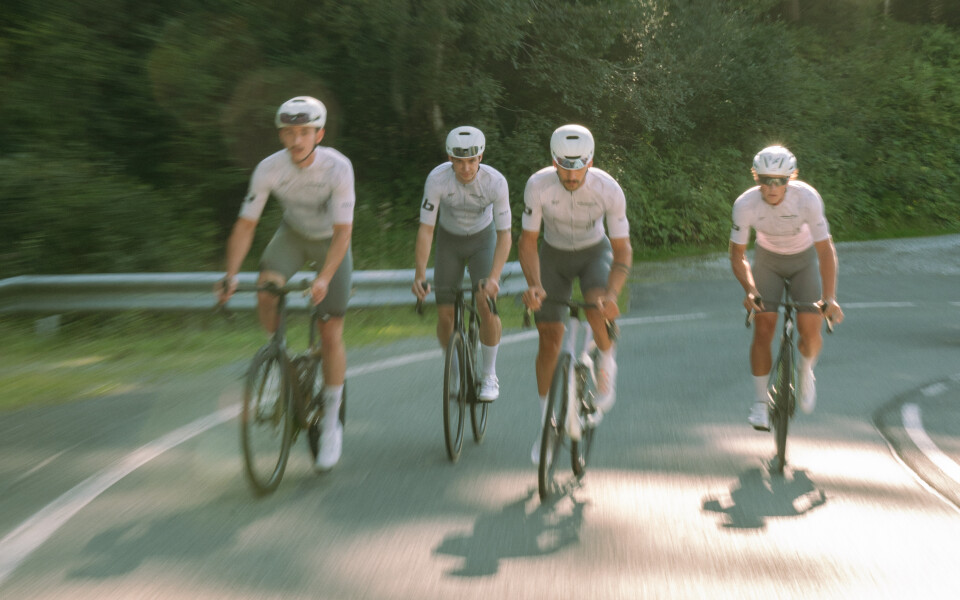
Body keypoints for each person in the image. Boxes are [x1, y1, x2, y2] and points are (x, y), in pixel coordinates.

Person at [216, 96, 354, 471]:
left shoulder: (338, 168)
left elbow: (344, 233)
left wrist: (324, 278)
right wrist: (230, 275)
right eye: (290, 133)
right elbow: (246, 225)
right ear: (281, 135)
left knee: (330, 333)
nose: (297, 140)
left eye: (305, 132)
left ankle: (330, 424)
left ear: (319, 134)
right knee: (266, 289)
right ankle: (280, 358)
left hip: (331, 241)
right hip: (292, 235)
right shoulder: (269, 169)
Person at [519, 124, 632, 464]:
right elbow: (527, 242)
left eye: (578, 165)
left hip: (593, 254)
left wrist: (612, 293)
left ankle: (607, 360)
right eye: (563, 166)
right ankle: (545, 427)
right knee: (549, 340)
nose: (571, 174)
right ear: (553, 162)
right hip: (553, 256)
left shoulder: (608, 189)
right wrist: (535, 284)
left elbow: (623, 250)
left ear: (590, 160)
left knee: (597, 305)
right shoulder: (538, 186)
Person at [729, 145, 844, 431]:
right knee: (764, 326)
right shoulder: (745, 205)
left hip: (804, 261)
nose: (772, 187)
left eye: (780, 180)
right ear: (755, 177)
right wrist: (750, 289)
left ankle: (806, 371)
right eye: (765, 179)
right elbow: (737, 254)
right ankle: (759, 403)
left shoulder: (807, 199)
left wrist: (830, 297)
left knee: (809, 330)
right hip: (768, 261)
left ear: (792, 177)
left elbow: (825, 251)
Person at [412, 126, 512, 401]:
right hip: (449, 240)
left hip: (484, 239)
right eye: (459, 161)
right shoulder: (437, 179)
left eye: (472, 160)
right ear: (450, 158)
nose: (466, 168)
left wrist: (494, 277)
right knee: (444, 314)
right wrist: (420, 273)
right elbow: (426, 230)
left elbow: (505, 236)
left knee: (484, 302)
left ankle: (490, 374)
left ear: (481, 157)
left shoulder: (495, 182)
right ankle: (455, 373)